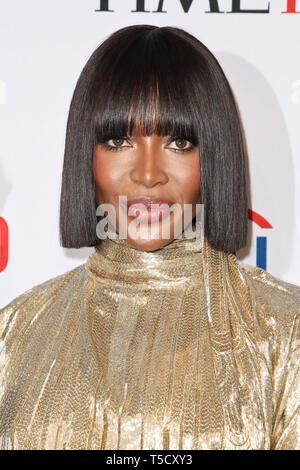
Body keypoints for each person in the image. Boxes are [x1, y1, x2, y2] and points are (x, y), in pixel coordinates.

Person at [0, 24, 299, 450]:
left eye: (178, 142)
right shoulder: (14, 334)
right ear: (86, 155)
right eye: (119, 140)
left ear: (213, 155)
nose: (147, 174)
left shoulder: (286, 331)